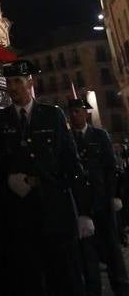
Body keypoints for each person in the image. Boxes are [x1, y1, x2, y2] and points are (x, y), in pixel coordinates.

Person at [0, 59, 86, 296]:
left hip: (54, 211)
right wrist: (8, 179)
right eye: (9, 82)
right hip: (20, 216)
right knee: (29, 278)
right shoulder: (0, 121)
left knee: (63, 277)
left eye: (18, 82)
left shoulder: (52, 116)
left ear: (30, 82)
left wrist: (82, 211)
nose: (12, 88)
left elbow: (70, 162)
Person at [68, 97, 129, 296]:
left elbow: (111, 169)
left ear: (86, 113)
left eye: (78, 111)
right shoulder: (68, 139)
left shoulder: (100, 135)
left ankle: (121, 289)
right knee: (89, 260)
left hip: (103, 202)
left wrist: (114, 195)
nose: (75, 114)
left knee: (113, 254)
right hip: (83, 207)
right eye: (73, 111)